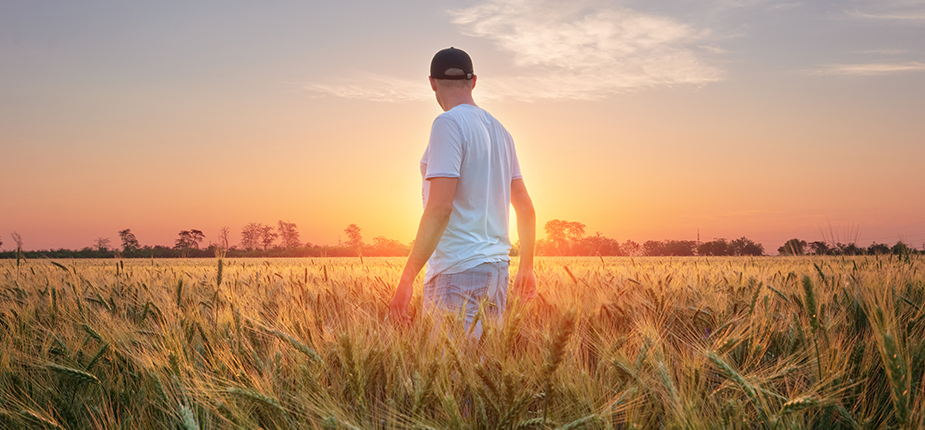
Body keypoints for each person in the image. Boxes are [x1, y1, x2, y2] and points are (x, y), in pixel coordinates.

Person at [389, 47, 536, 338]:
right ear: (474, 81)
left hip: (457, 273)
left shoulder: (448, 123)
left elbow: (440, 208)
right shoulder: (502, 132)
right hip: (497, 273)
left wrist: (406, 281)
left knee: (451, 380)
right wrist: (527, 269)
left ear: (431, 83)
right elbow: (525, 207)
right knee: (482, 378)